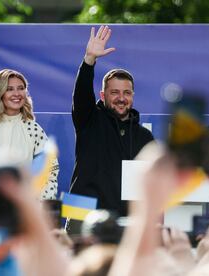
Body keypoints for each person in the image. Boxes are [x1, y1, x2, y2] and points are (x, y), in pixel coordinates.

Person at [69, 25, 154, 220]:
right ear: (103, 95)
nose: (121, 98)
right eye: (114, 92)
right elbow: (81, 95)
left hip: (125, 220)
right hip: (81, 213)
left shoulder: (144, 137)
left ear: (133, 96)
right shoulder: (88, 119)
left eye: (126, 93)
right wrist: (89, 60)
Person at [0, 69, 59, 199]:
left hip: (21, 210)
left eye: (20, 88)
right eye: (9, 89)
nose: (16, 93)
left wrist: (38, 206)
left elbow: (49, 173)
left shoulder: (33, 129)